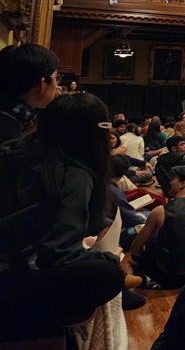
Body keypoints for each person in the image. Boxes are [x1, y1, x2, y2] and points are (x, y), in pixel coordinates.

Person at [0, 93, 126, 340]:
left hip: (13, 259)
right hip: (10, 278)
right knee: (109, 275)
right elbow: (56, 253)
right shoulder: (74, 175)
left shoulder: (15, 152)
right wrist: (102, 256)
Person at [131, 165, 185, 288]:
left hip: (168, 276)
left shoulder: (160, 211)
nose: (170, 182)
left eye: (174, 178)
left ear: (183, 184)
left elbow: (135, 249)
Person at [0, 43, 61, 143]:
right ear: (41, 84)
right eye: (56, 78)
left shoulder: (17, 117)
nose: (57, 86)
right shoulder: (8, 132)